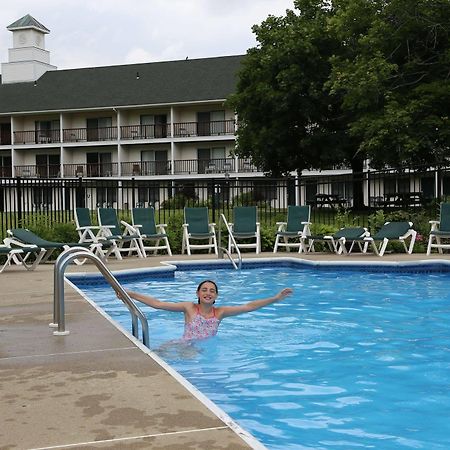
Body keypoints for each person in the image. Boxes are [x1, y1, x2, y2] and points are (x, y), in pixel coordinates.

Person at [122, 280, 293, 341]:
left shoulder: (220, 313)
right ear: (197, 293)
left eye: (212, 291)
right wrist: (131, 294)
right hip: (184, 343)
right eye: (204, 290)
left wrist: (275, 299)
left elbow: (249, 306)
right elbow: (158, 303)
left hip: (203, 349)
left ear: (216, 296)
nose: (208, 293)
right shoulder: (188, 307)